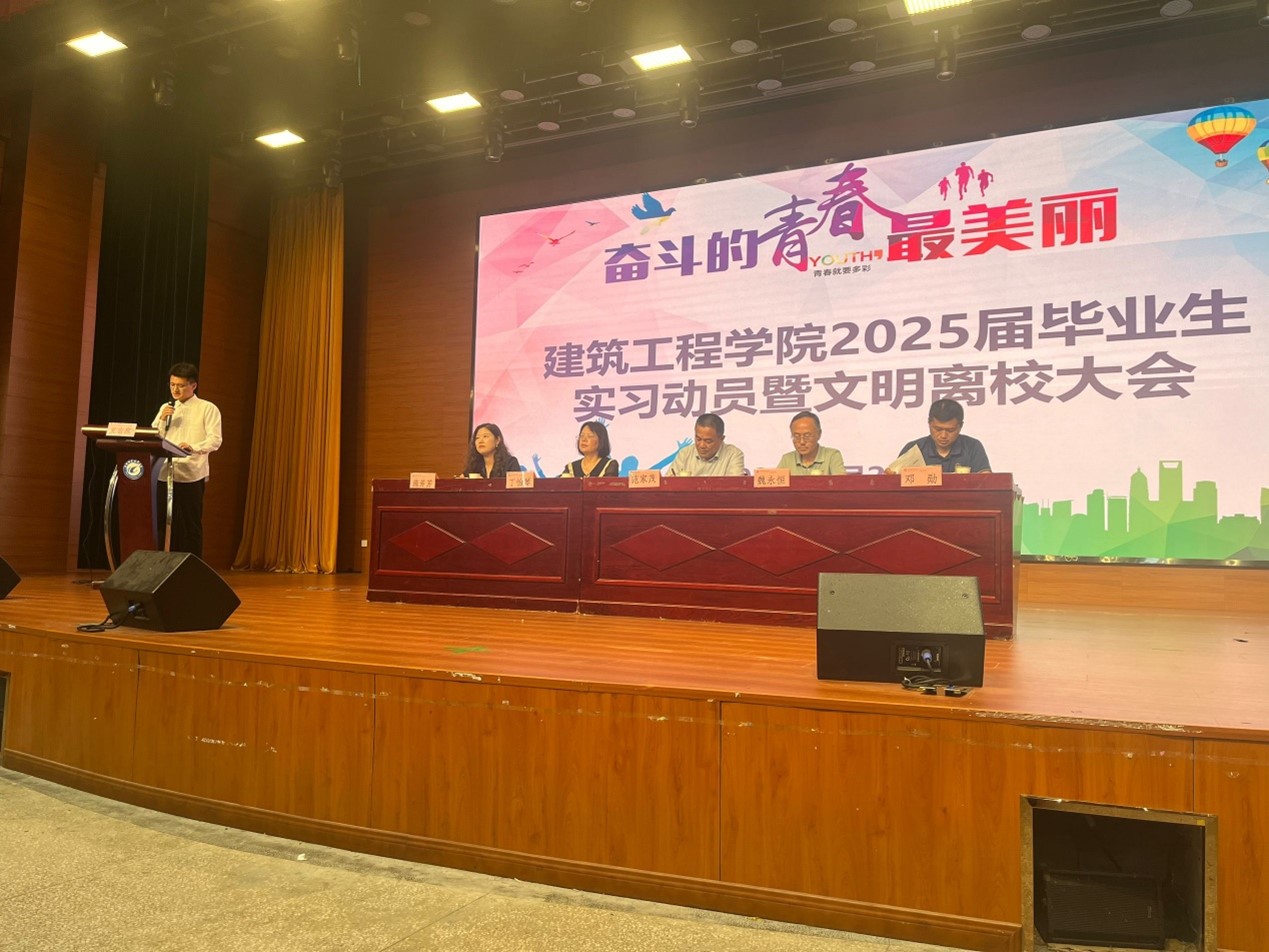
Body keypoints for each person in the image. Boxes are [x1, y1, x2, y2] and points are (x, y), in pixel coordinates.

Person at [151, 362, 222, 558]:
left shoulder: (207, 408)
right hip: (165, 473)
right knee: (163, 521)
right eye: (172, 384)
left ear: (193, 385)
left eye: (181, 385)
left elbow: (215, 440)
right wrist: (161, 419)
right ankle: (162, 562)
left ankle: (193, 565)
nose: (175, 390)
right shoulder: (166, 408)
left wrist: (193, 447)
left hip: (191, 473)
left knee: (190, 523)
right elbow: (154, 436)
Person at [888, 399, 991, 474]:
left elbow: (986, 480)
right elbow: (895, 481)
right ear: (929, 424)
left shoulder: (972, 447)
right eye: (938, 429)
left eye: (950, 430)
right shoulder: (914, 449)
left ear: (960, 426)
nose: (943, 435)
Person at [666, 412, 745, 476]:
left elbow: (734, 486)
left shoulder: (733, 455)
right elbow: (668, 483)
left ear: (721, 439)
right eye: (698, 439)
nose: (702, 445)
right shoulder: (685, 454)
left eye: (708, 441)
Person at [776, 411, 846, 476]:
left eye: (807, 436)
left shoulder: (832, 456)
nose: (802, 442)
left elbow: (842, 483)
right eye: (796, 436)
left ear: (819, 434)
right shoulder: (787, 459)